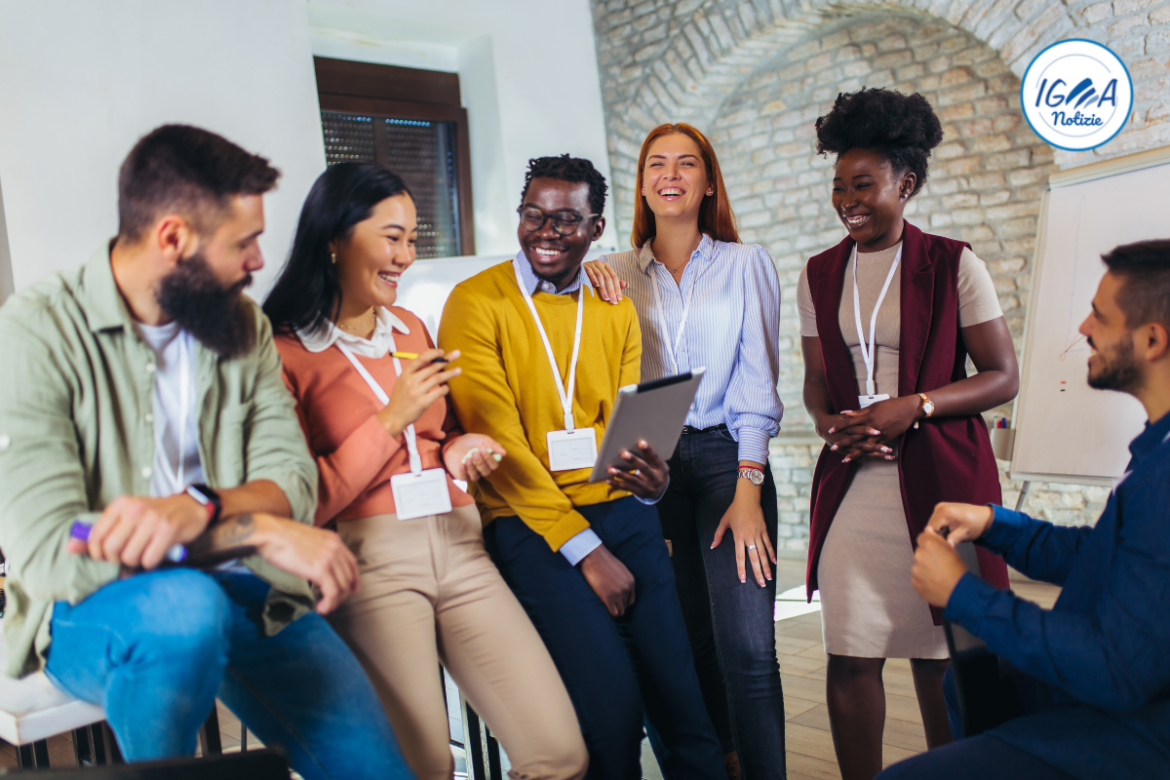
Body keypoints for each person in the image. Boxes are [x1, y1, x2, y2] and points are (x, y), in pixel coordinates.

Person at [0, 125, 414, 778]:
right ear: (172, 238)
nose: (258, 261)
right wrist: (250, 528)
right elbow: (52, 544)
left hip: (248, 592)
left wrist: (200, 509)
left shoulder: (242, 325)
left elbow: (292, 479)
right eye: (243, 242)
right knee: (183, 607)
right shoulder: (35, 332)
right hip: (94, 605)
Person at [263, 162, 587, 780]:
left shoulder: (411, 328)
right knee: (423, 769)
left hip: (463, 547)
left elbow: (437, 436)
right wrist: (390, 417)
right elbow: (303, 503)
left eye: (412, 238)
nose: (405, 256)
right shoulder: (284, 351)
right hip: (372, 563)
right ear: (333, 238)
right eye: (392, 237)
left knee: (559, 754)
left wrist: (458, 449)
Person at [438, 155, 726, 780]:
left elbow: (623, 426)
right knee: (610, 719)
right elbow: (500, 449)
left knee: (685, 708)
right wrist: (588, 552)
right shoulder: (474, 303)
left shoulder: (611, 302)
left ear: (596, 229)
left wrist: (652, 483)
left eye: (566, 220)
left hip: (622, 510)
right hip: (531, 524)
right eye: (533, 216)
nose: (546, 231)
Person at [879, 239, 1170, 779]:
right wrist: (997, 522)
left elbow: (1115, 670)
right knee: (971, 683)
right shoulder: (1157, 445)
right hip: (1133, 687)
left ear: (1152, 340)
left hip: (1141, 732)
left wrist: (963, 594)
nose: (1084, 327)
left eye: (1101, 317)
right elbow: (1104, 553)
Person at [797, 89, 1018, 780]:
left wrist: (914, 405)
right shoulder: (819, 272)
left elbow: (1003, 376)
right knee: (850, 652)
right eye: (839, 186)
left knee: (939, 654)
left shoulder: (952, 263)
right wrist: (828, 421)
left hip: (942, 479)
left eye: (863, 184)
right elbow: (814, 378)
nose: (847, 200)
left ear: (907, 183)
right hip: (854, 480)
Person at [583, 123, 785, 780]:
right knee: (685, 639)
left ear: (706, 182)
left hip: (729, 459)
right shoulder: (610, 272)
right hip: (650, 466)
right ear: (641, 183)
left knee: (748, 646)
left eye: (687, 164)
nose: (671, 175)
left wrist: (750, 491)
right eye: (656, 164)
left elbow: (759, 382)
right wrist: (580, 280)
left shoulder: (744, 263)